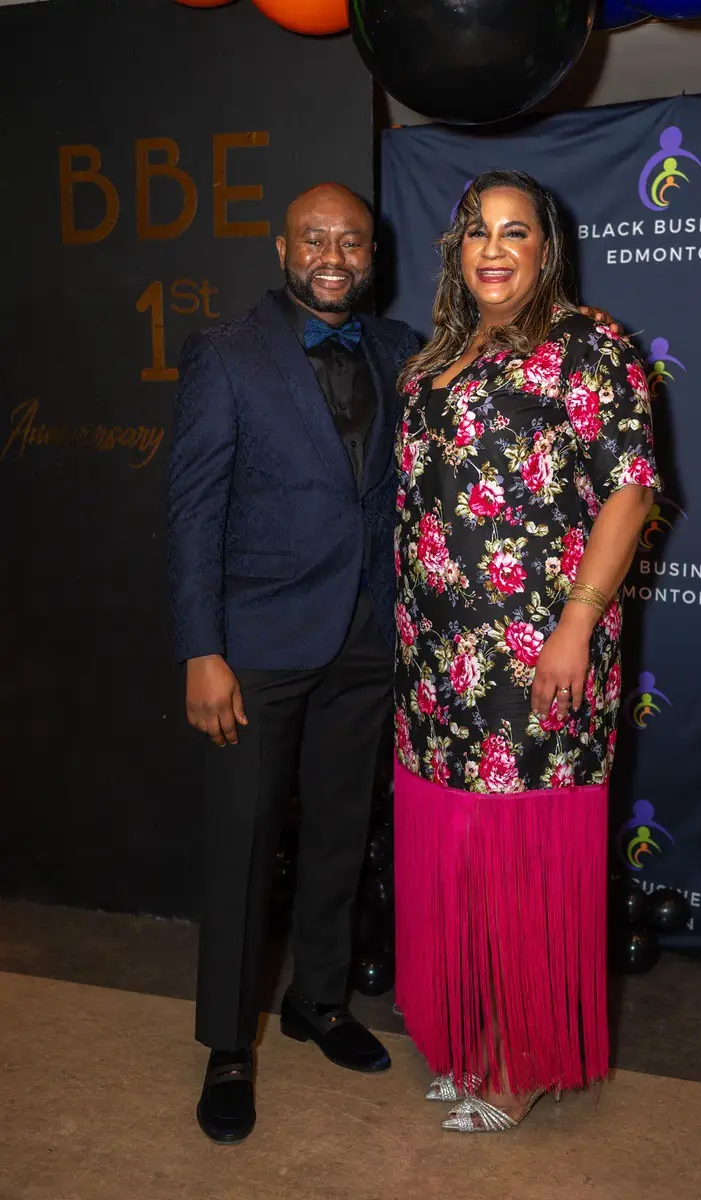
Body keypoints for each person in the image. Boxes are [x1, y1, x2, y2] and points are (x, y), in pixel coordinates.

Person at [393, 169, 659, 1133]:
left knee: (519, 864)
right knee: (461, 861)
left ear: (547, 247)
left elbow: (630, 489)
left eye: (515, 231)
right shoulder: (436, 357)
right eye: (477, 230)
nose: (494, 248)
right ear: (455, 250)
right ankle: (471, 1038)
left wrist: (578, 624)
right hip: (435, 661)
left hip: (535, 651)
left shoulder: (589, 345)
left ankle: (522, 1061)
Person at [166, 183, 422, 1144]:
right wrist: (202, 648)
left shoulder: (400, 350)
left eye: (351, 241)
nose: (333, 256)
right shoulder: (226, 353)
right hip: (257, 644)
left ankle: (319, 999)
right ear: (282, 248)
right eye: (315, 239)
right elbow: (194, 509)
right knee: (243, 843)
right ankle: (228, 1045)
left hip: (366, 637)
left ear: (372, 255)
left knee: (340, 832)